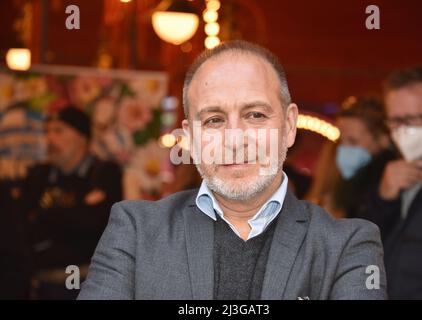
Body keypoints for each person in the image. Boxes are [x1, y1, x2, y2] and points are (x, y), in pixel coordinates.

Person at [78, 40, 386, 300]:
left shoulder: (348, 245)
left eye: (254, 114)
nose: (235, 139)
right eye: (214, 120)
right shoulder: (135, 230)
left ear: (289, 126)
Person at [22, 107, 123, 299]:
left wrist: (46, 216)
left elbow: (97, 224)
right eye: (47, 131)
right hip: (40, 282)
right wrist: (76, 212)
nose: (49, 139)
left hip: (85, 283)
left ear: (81, 138)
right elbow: (25, 226)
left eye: (58, 131)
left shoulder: (103, 174)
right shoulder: (38, 175)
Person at [367, 66, 422, 299]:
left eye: (411, 119)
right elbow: (368, 243)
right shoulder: (392, 169)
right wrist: (383, 198)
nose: (402, 131)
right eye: (394, 121)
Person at [333, 97, 397, 240]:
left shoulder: (388, 180)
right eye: (341, 141)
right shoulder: (351, 182)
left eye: (353, 141)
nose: (344, 149)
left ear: (383, 139)